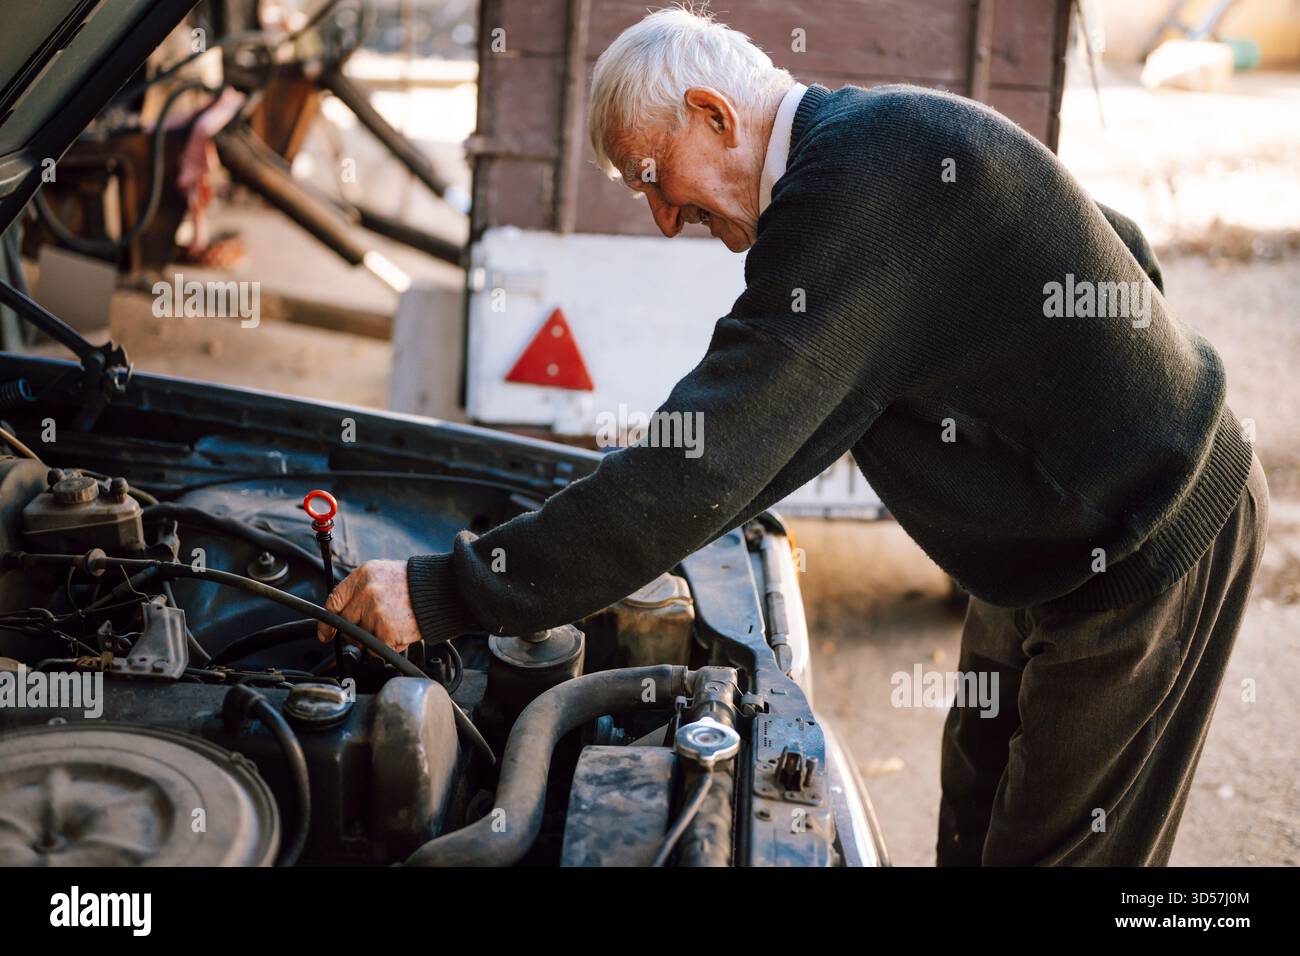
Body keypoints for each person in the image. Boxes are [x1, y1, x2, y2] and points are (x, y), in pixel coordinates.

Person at [320, 8, 1267, 865]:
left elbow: (701, 463)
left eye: (656, 178)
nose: (661, 221)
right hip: (1041, 553)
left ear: (714, 114)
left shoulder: (854, 194)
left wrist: (452, 589)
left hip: (1149, 545)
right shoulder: (869, 137)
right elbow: (1123, 242)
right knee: (976, 812)